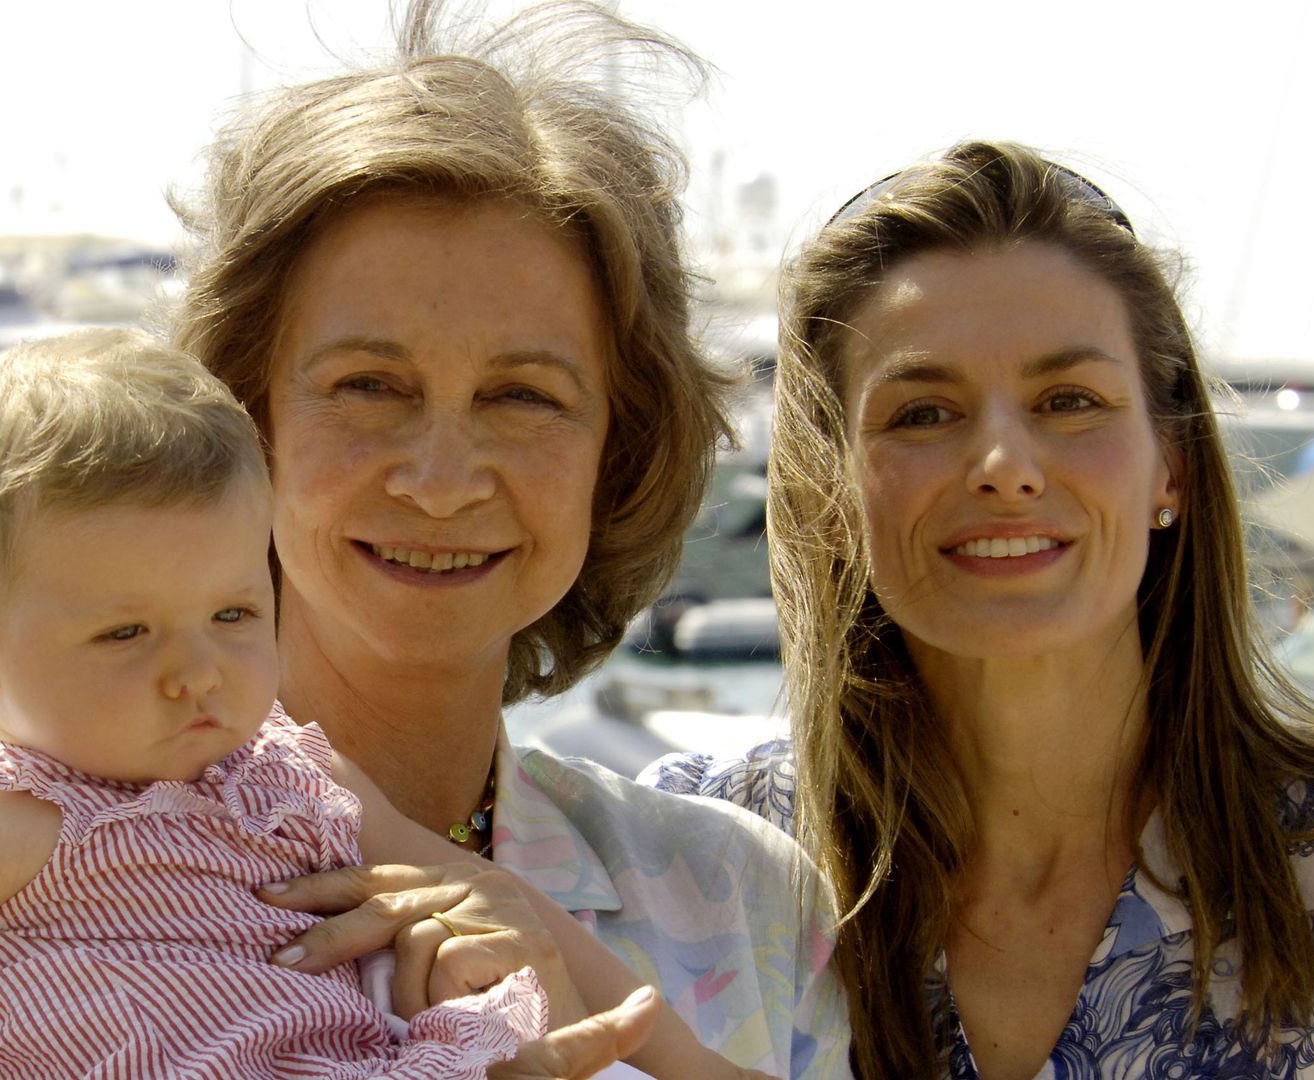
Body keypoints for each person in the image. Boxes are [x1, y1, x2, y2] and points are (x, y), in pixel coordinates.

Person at [648, 141, 1314, 1078]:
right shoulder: (696, 855)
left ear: (1173, 467)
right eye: (923, 413)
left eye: (1069, 400)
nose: (1006, 467)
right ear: (831, 496)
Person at [164, 3, 846, 1077]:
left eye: (522, 396)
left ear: (615, 452)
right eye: (370, 387)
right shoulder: (52, 865)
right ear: (244, 426)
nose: (441, 482)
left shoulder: (745, 902)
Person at [0, 328, 578, 1079]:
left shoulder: (299, 780)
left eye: (233, 614)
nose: (196, 673)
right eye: (127, 634)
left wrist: (681, 1060)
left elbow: (487, 897)